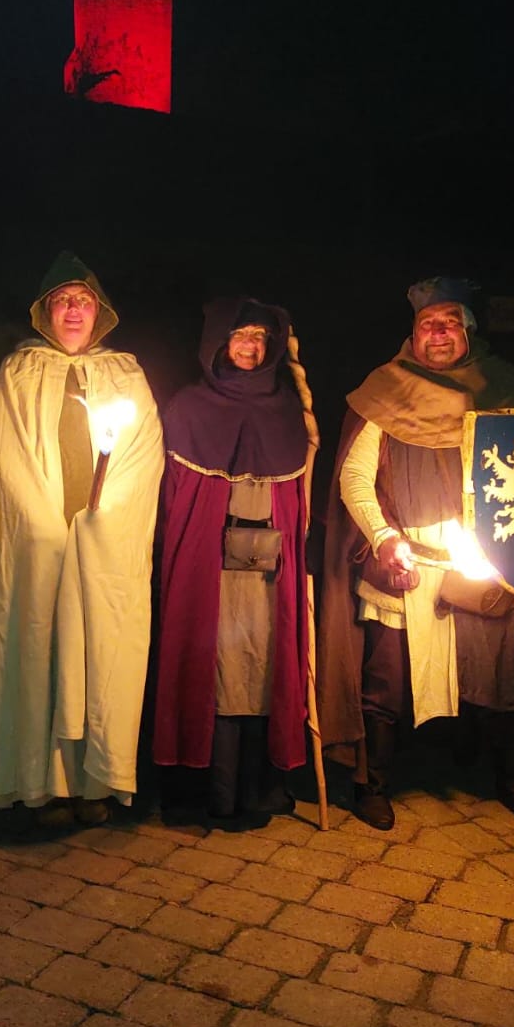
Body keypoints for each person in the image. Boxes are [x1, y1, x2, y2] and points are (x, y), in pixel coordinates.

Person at [317, 275, 514, 833]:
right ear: (412, 335)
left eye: (449, 323)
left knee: (503, 684)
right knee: (386, 685)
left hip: (487, 565)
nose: (438, 333)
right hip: (407, 563)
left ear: (469, 331)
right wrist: (383, 538)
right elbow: (354, 475)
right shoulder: (385, 391)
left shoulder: (505, 390)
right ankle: (373, 786)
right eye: (427, 324)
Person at [0, 252, 163, 826]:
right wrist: (45, 525)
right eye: (62, 301)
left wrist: (104, 521)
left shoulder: (126, 374)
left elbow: (143, 455)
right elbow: (4, 456)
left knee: (102, 655)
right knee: (38, 651)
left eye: (82, 301)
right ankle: (43, 783)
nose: (73, 311)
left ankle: (96, 780)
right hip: (41, 543)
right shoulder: (20, 371)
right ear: (45, 312)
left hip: (103, 544)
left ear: (99, 312)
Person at [153, 297, 318, 826]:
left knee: (262, 670)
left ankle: (258, 791)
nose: (250, 346)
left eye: (259, 338)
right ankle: (206, 792)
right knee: (213, 669)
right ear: (219, 342)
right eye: (240, 335)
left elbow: (299, 504)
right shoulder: (189, 408)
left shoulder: (291, 411)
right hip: (210, 571)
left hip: (269, 576)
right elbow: (174, 501)